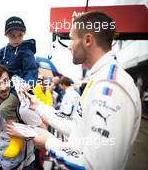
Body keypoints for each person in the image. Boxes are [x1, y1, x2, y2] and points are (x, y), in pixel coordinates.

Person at [23, 11, 141, 170]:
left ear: (87, 40)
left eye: (72, 39)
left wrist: (48, 142)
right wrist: (39, 107)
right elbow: (79, 128)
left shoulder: (109, 85)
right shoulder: (99, 78)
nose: (69, 46)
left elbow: (97, 165)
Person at [0, 16, 38, 159]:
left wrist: (28, 83)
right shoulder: (2, 51)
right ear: (6, 35)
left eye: (19, 35)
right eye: (12, 35)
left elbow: (32, 71)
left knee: (6, 107)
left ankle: (15, 136)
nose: (16, 38)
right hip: (2, 84)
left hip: (17, 88)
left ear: (24, 34)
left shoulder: (26, 52)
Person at [0, 64, 42, 170]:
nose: (4, 87)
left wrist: (23, 134)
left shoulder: (23, 106)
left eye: (5, 81)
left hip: (21, 166)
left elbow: (43, 131)